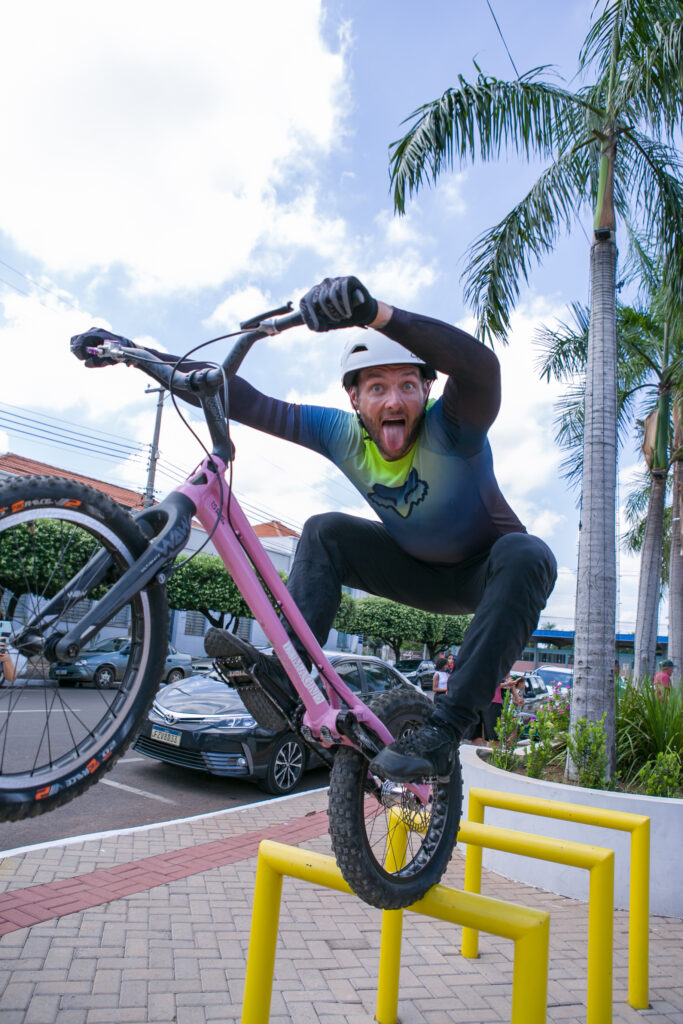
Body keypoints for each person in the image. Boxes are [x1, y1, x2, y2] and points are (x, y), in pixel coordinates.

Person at [71, 275, 557, 781]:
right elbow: (245, 399)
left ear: (427, 390)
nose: (393, 402)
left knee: (528, 551)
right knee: (324, 530)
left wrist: (376, 312)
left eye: (407, 386)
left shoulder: (453, 425)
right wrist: (132, 353)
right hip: (413, 570)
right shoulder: (340, 434)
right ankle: (291, 674)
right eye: (377, 388)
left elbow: (481, 369)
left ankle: (442, 734)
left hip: (487, 577)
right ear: (354, 399)